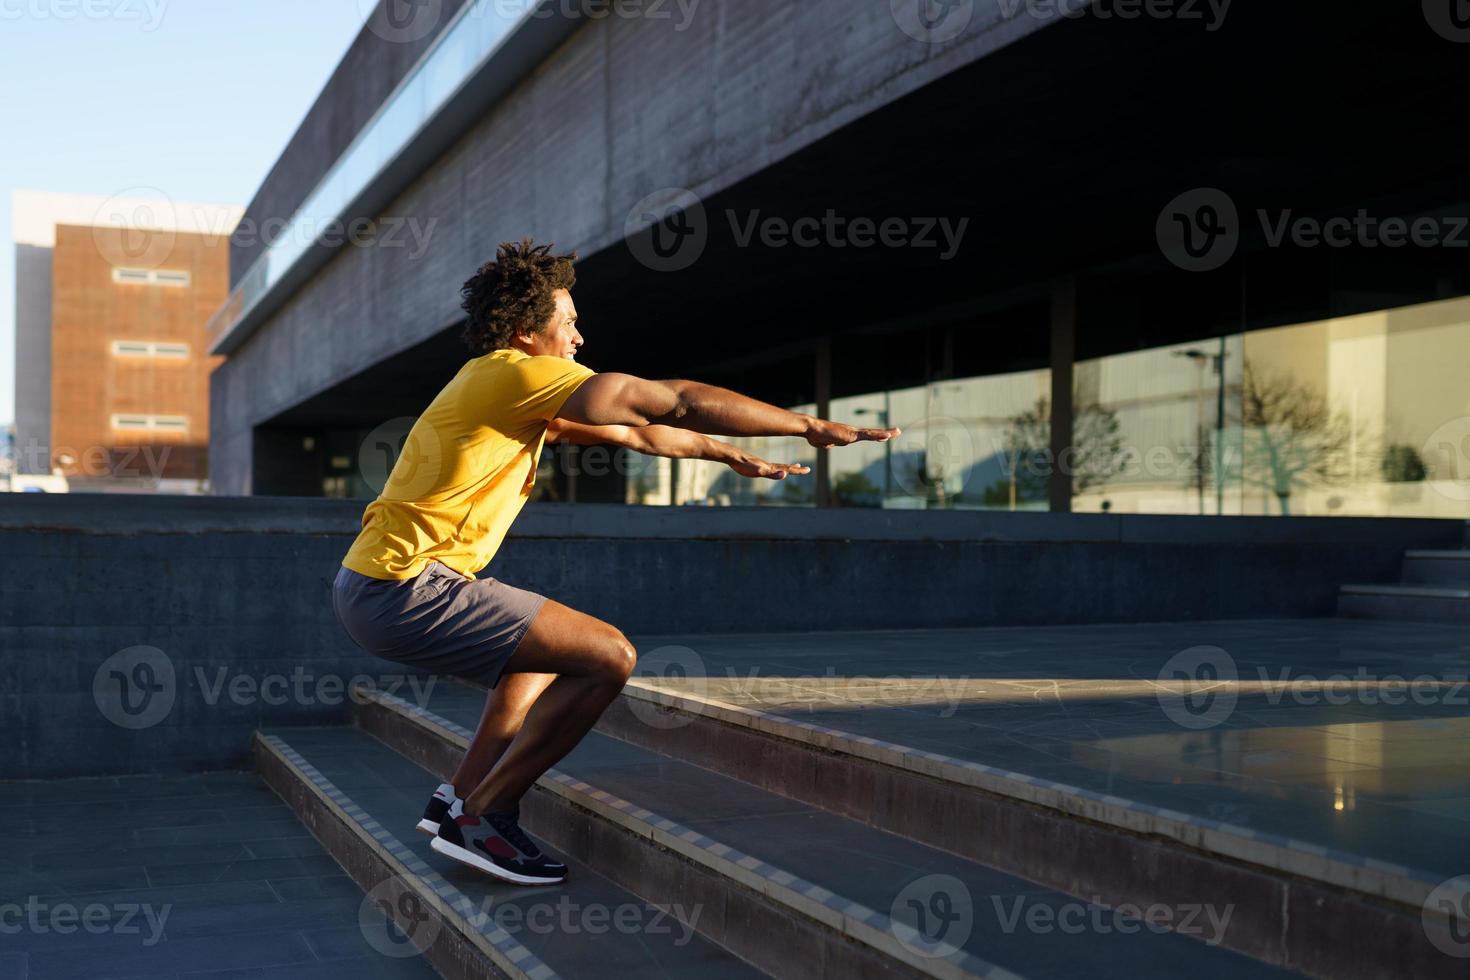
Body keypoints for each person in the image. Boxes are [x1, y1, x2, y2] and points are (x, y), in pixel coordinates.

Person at [332, 239, 899, 885]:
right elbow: (673, 399)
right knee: (609, 656)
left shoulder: (495, 386)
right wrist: (805, 425)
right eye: (567, 323)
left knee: (539, 662)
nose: (579, 336)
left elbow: (637, 432)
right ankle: (485, 815)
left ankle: (459, 800)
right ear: (526, 332)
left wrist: (725, 455)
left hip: (383, 585)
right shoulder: (517, 375)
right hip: (405, 589)